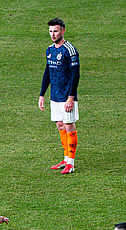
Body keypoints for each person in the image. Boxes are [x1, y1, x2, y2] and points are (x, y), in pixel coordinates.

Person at [38, 17, 80, 174]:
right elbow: (47, 73)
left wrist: (71, 97)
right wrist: (42, 94)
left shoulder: (70, 50)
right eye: (50, 31)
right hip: (54, 96)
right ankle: (65, 159)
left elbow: (75, 76)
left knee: (69, 126)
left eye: (55, 31)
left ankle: (71, 162)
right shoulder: (50, 50)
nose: (52, 34)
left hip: (67, 96)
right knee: (60, 125)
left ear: (63, 31)